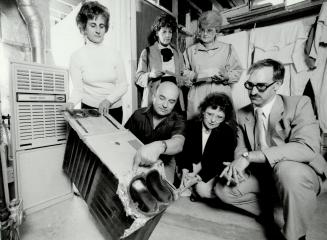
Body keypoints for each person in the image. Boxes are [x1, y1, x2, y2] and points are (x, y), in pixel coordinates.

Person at [215, 59, 327, 240]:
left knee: (286, 170)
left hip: (298, 173)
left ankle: (295, 235)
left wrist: (250, 156)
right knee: (223, 189)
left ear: (277, 85)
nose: (252, 91)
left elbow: (306, 147)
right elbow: (241, 146)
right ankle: (276, 211)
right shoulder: (242, 113)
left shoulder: (300, 104)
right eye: (249, 85)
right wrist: (237, 165)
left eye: (260, 86)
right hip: (264, 174)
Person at [64, 1, 128, 123]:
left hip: (113, 109)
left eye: (101, 25)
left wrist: (108, 100)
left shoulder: (115, 54)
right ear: (84, 28)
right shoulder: (76, 56)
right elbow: (78, 90)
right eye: (93, 25)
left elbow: (123, 85)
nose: (98, 30)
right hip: (89, 110)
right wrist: (71, 103)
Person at [183, 10, 242, 120]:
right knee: (197, 129)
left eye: (209, 30)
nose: (205, 34)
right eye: (202, 30)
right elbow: (182, 72)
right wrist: (194, 76)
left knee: (221, 130)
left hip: (220, 93)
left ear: (217, 31)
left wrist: (227, 77)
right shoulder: (190, 51)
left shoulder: (227, 48)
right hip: (198, 96)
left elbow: (237, 71)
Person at [178, 93, 237, 200]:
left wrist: (197, 178)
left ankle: (200, 190)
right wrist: (185, 171)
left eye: (219, 117)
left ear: (225, 118)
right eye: (210, 114)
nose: (213, 120)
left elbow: (222, 162)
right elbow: (185, 152)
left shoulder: (228, 133)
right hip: (194, 165)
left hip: (213, 170)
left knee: (203, 191)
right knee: (178, 176)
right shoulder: (191, 125)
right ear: (203, 111)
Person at [125, 81, 186, 183]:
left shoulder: (179, 120)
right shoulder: (138, 114)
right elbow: (125, 138)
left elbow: (179, 143)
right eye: (162, 98)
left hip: (165, 163)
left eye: (171, 101)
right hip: (138, 156)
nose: (165, 105)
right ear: (154, 96)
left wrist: (159, 146)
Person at [136, 13, 186, 113]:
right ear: (156, 33)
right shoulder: (147, 52)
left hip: (173, 97)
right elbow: (138, 78)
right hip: (155, 96)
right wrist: (150, 75)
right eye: (164, 32)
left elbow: (182, 75)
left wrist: (186, 79)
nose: (168, 35)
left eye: (170, 32)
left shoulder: (178, 53)